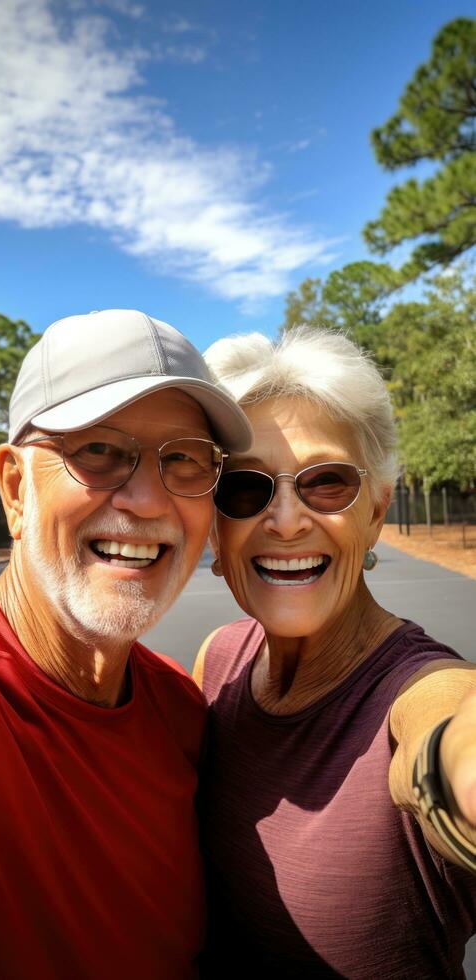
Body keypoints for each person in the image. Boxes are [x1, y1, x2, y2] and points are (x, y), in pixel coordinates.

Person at [0, 308, 252, 979]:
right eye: (98, 450)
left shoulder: (181, 712)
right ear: (15, 488)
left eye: (184, 459)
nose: (145, 498)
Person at [194, 326, 476, 979]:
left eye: (325, 483)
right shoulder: (217, 662)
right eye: (243, 489)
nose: (287, 520)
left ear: (375, 511)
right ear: (213, 527)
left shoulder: (418, 688)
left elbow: (450, 729)